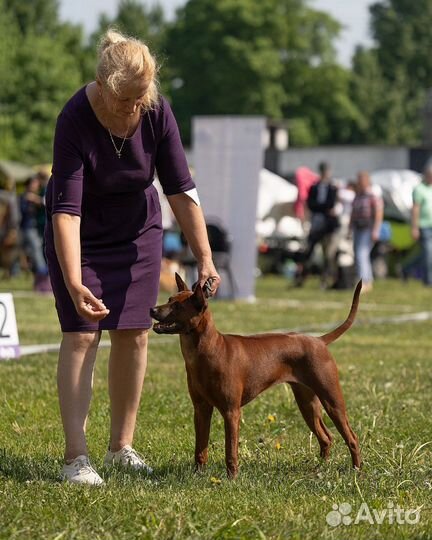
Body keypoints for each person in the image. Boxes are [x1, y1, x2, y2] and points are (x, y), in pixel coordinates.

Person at [44, 29, 221, 485]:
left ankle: (121, 446)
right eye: (125, 101)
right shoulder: (75, 119)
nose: (134, 110)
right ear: (101, 87)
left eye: (141, 100)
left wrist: (204, 255)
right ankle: (75, 458)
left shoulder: (156, 110)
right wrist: (73, 279)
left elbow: (180, 187)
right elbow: (66, 212)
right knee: (83, 334)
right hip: (81, 232)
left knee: (134, 332)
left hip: (138, 231)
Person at [295, 162, 340, 288]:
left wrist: (321, 207)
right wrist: (323, 208)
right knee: (309, 252)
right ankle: (301, 278)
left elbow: (330, 204)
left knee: (328, 255)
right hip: (316, 224)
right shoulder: (314, 187)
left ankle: (325, 280)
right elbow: (311, 204)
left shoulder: (332, 187)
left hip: (328, 226)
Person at [350, 171, 383, 293]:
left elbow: (378, 212)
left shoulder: (372, 195)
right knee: (361, 255)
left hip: (367, 229)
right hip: (357, 228)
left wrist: (376, 230)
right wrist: (350, 226)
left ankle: (364, 281)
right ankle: (368, 280)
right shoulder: (358, 196)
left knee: (361, 254)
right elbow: (353, 213)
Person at [20, 176, 51, 291]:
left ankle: (41, 284)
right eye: (34, 183)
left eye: (36, 183)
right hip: (29, 229)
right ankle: (42, 285)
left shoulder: (38, 195)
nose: (36, 185)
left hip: (38, 229)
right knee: (37, 256)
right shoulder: (24, 197)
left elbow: (44, 204)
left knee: (39, 255)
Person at [411, 161, 432, 286]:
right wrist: (415, 227)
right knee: (429, 253)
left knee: (426, 253)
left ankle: (406, 268)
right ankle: (428, 281)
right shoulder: (419, 189)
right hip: (423, 226)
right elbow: (415, 209)